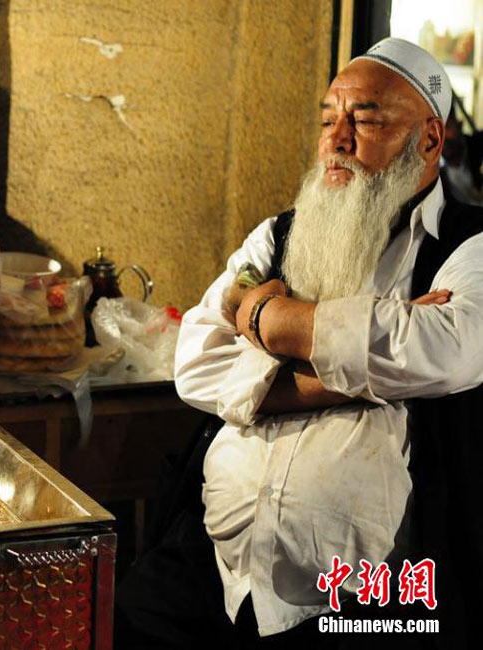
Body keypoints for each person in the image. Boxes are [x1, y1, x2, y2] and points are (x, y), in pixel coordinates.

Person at [117, 38, 483, 649]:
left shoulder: (468, 245)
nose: (336, 139)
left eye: (364, 119)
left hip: (370, 595)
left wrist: (273, 321)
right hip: (218, 568)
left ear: (429, 139)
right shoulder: (277, 235)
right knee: (122, 619)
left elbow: (451, 348)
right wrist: (372, 373)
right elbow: (199, 362)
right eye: (327, 120)